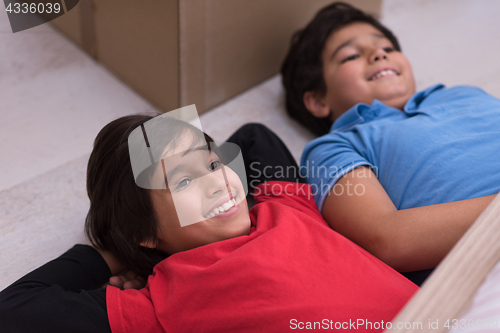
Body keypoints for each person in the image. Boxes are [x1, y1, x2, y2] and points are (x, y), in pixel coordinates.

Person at [0, 113, 417, 332]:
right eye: (182, 180)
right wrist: (111, 251)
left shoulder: (280, 205)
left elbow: (253, 136)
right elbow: (13, 309)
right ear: (144, 232)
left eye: (214, 163)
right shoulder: (162, 304)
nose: (217, 181)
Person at [281, 2, 500, 285]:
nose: (379, 53)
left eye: (387, 47)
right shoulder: (333, 147)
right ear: (318, 100)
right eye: (350, 56)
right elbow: (388, 239)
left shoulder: (465, 95)